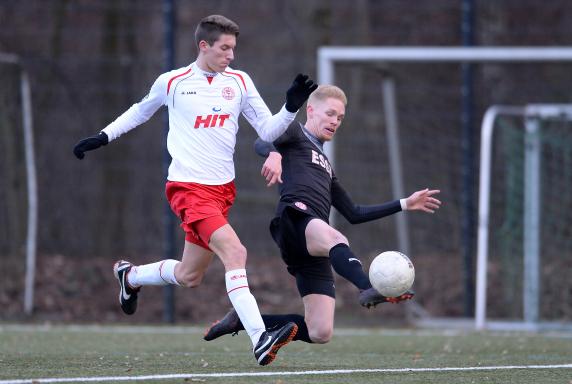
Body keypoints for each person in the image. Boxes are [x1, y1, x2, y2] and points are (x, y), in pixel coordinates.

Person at [73, 14, 317, 366]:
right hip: (188, 188)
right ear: (204, 46)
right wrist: (103, 136)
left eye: (234, 48)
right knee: (236, 252)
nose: (231, 55)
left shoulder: (240, 82)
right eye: (225, 48)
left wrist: (290, 107)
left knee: (191, 275)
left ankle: (131, 276)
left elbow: (267, 131)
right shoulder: (173, 82)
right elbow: (140, 112)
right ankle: (260, 339)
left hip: (222, 191)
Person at [204, 84, 441, 345]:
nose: (335, 121)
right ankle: (366, 287)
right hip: (295, 219)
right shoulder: (295, 133)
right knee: (336, 239)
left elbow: (354, 213)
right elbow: (263, 138)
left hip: (311, 242)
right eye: (330, 114)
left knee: (320, 332)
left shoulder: (327, 166)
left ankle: (242, 320)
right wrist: (273, 154)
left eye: (339, 117)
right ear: (312, 110)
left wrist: (405, 203)